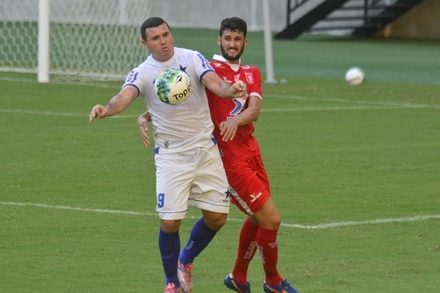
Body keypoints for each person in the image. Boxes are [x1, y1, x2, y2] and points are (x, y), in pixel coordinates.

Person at [90, 17, 248, 293]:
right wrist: (107, 108)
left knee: (217, 218)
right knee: (170, 221)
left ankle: (184, 259)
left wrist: (230, 90)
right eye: (155, 38)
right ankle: (172, 282)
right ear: (145, 43)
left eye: (166, 34)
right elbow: (124, 96)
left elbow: (214, 83)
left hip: (205, 149)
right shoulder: (143, 72)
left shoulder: (191, 58)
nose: (163, 41)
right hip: (171, 154)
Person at [207, 17, 301, 293]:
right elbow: (181, 96)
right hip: (228, 156)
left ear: (245, 42)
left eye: (237, 39)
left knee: (258, 217)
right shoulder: (208, 70)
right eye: (227, 38)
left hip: (251, 149)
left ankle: (238, 277)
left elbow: (254, 110)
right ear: (219, 40)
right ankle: (273, 281)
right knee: (270, 219)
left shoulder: (252, 72)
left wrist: (237, 120)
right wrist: (150, 114)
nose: (232, 44)